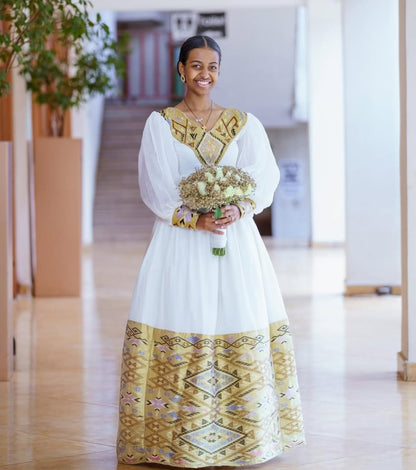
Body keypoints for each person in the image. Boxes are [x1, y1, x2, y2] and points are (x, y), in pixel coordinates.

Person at [117, 35, 305, 467]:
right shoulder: (160, 124)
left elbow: (263, 175)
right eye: (196, 66)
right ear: (180, 70)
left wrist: (239, 207)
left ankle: (247, 437)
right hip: (180, 243)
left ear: (220, 71)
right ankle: (175, 440)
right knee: (184, 313)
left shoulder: (244, 123)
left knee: (238, 313)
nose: (205, 74)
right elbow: (157, 187)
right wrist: (194, 218)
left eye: (213, 67)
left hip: (236, 242)